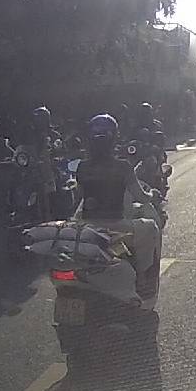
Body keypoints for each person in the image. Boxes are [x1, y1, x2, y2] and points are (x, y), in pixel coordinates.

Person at [73, 114, 162, 306]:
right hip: (117, 225)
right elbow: (140, 197)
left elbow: (78, 196)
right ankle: (141, 277)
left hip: (87, 226)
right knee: (151, 227)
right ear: (114, 139)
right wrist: (153, 195)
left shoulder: (82, 167)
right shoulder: (123, 167)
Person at [23, 106, 62, 221]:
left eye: (40, 119)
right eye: (36, 119)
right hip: (33, 167)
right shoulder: (29, 135)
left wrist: (55, 154)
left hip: (50, 167)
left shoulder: (53, 135)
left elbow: (59, 148)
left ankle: (58, 212)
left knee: (58, 186)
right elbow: (23, 148)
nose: (38, 121)